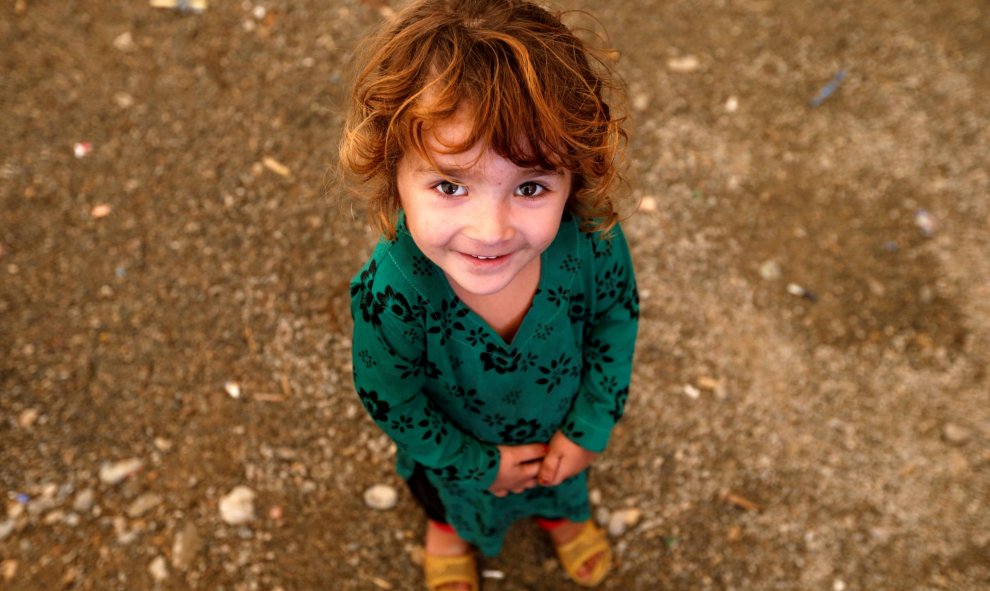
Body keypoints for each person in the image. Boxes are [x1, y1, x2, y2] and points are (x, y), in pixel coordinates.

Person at [339, 1, 638, 588]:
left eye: (530, 186)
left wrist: (589, 427)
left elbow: (615, 323)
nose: (491, 230)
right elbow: (391, 401)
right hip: (456, 451)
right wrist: (478, 464)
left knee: (561, 480)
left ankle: (559, 512)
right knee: (446, 497)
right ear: (391, 169)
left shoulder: (594, 241)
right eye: (450, 184)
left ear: (574, 174)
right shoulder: (392, 292)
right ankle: (448, 531)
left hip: (557, 430)